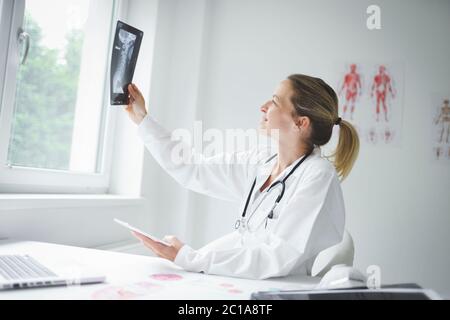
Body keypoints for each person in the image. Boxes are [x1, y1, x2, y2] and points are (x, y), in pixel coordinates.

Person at [124, 74, 360, 280]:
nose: (264, 106)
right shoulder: (260, 162)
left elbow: (278, 257)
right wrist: (142, 120)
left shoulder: (317, 176)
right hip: (244, 281)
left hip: (275, 292)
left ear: (300, 123)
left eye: (275, 101)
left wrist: (192, 258)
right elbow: (194, 169)